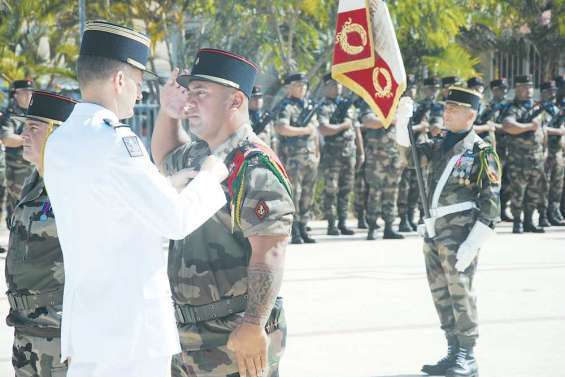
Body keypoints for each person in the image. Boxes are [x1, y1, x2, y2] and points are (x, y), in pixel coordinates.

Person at [43, 21, 228, 377]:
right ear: (119, 81)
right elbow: (175, 221)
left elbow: (108, 203)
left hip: (88, 328)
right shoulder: (115, 141)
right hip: (130, 333)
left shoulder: (61, 139)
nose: (139, 94)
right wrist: (209, 176)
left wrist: (167, 183)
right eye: (139, 83)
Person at [151, 48, 294, 377]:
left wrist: (253, 324)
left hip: (232, 335)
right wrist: (169, 112)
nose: (190, 102)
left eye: (201, 93)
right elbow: (165, 156)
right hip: (189, 335)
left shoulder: (254, 165)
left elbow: (269, 251)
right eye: (190, 93)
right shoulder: (199, 154)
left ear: (235, 102)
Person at [396, 87, 501, 377]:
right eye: (446, 107)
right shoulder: (439, 144)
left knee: (460, 292)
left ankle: (467, 353)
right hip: (433, 231)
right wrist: (401, 122)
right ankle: (453, 350)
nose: (447, 112)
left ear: (471, 114)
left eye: (454, 109)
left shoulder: (481, 152)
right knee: (441, 293)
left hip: (460, 235)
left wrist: (473, 243)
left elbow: (492, 206)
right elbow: (410, 156)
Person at [6, 90, 77, 377]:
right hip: (26, 331)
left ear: (58, 135)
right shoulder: (35, 181)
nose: (23, 134)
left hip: (57, 335)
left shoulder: (74, 187)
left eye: (34, 128)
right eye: (24, 126)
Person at [274, 72, 319, 244]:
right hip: (293, 158)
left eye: (304, 85)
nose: (302, 88)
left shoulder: (308, 106)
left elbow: (315, 132)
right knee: (295, 195)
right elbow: (282, 128)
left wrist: (317, 152)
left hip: (310, 157)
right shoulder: (286, 106)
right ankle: (294, 230)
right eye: (298, 85)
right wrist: (304, 130)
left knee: (308, 194)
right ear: (290, 87)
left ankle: (304, 226)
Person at [317, 73, 362, 236]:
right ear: (326, 88)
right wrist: (343, 126)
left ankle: (343, 222)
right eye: (333, 85)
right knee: (331, 190)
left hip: (349, 153)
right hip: (332, 155)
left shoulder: (348, 106)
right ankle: (331, 224)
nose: (338, 88)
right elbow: (324, 129)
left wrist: (360, 152)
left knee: (346, 188)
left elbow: (356, 129)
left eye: (339, 85)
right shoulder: (323, 107)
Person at [502, 75, 546, 233]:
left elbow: (542, 130)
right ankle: (517, 222)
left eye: (530, 87)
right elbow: (508, 125)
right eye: (524, 87)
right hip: (519, 159)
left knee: (534, 191)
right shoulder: (513, 108)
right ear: (517, 89)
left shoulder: (536, 107)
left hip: (536, 157)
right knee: (518, 191)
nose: (528, 90)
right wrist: (529, 126)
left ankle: (529, 221)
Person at [358, 100, 404, 240]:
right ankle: (372, 227)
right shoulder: (370, 101)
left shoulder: (396, 102)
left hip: (394, 156)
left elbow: (403, 124)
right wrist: (392, 119)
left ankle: (389, 227)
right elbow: (369, 121)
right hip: (376, 157)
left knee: (392, 192)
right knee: (375, 192)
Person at [0, 79, 35, 226]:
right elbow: (7, 139)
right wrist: (28, 139)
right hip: (15, 171)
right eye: (24, 93)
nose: (29, 96)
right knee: (15, 210)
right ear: (15, 95)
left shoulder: (35, 113)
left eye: (30, 92)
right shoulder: (10, 115)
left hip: (33, 170)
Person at [538, 81, 565, 226]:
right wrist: (559, 130)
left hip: (558, 152)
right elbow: (543, 129)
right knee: (545, 185)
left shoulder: (557, 109)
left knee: (557, 185)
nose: (553, 93)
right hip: (547, 151)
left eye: (554, 90)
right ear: (542, 93)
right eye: (549, 91)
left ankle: (554, 212)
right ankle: (543, 216)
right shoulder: (540, 109)